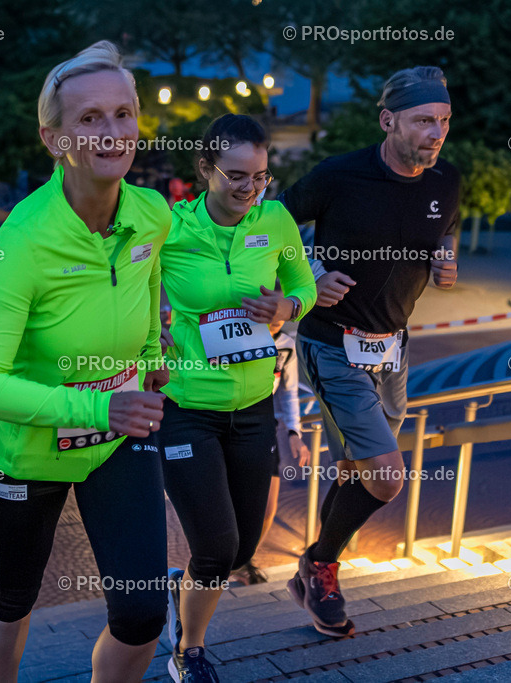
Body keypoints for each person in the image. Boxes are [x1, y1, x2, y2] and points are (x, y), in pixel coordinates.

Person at [0, 41, 171, 682]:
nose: (113, 133)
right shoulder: (23, 238)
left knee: (142, 614)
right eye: (90, 119)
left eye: (124, 114)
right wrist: (97, 403)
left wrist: (154, 353)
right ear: (54, 139)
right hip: (25, 450)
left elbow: (151, 277)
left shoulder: (151, 214)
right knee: (12, 595)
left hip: (115, 439)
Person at [278, 66, 459, 638]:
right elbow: (269, 228)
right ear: (388, 121)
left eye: (444, 122)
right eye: (423, 121)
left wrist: (447, 261)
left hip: (394, 351)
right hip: (332, 344)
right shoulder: (338, 176)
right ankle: (322, 563)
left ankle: (317, 572)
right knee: (386, 477)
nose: (436, 133)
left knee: (361, 469)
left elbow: (445, 231)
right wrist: (308, 273)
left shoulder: (445, 181)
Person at [156, 114, 316, 681]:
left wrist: (286, 309)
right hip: (187, 408)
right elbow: (128, 286)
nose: (249, 189)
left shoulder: (275, 221)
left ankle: (187, 588)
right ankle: (189, 650)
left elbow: (304, 286)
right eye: (236, 176)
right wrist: (151, 329)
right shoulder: (170, 227)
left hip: (253, 407)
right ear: (205, 169)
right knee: (217, 547)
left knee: (244, 546)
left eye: (261, 177)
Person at [234, 315, 311, 585]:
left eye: (281, 311)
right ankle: (226, 561)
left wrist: (294, 433)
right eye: (269, 310)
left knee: (267, 508)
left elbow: (289, 392)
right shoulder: (238, 336)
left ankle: (244, 558)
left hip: (265, 425)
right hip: (231, 422)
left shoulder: (287, 344)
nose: (276, 317)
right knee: (233, 501)